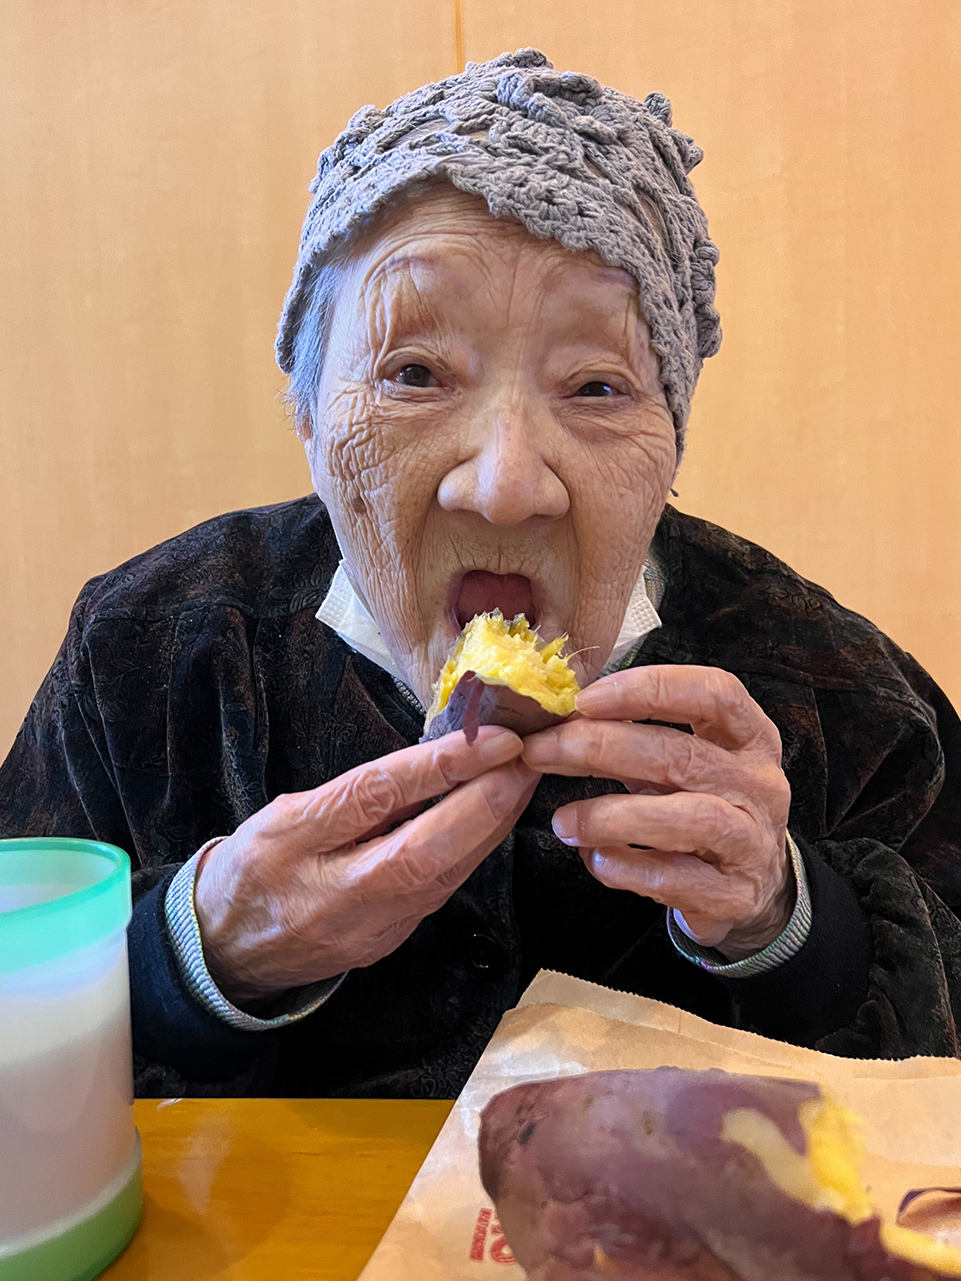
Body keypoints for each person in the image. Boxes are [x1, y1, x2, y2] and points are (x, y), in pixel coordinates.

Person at [2, 49, 960, 1099]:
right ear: (313, 417)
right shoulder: (146, 655)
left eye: (596, 386)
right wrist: (198, 960)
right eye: (414, 374)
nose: (506, 488)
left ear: (669, 446)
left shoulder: (833, 686)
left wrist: (792, 924)